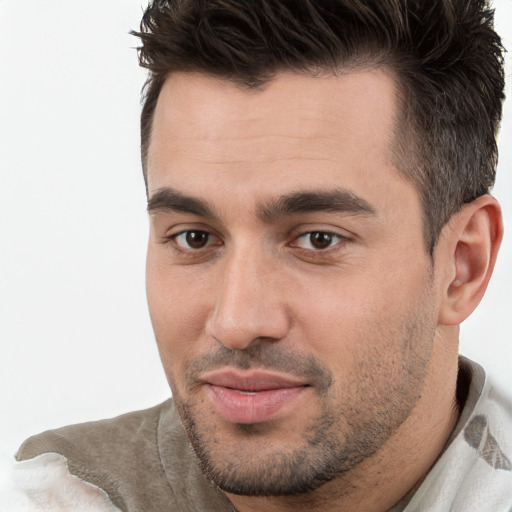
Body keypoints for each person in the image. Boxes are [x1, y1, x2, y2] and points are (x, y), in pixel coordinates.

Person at [1, 0, 510, 510]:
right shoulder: (54, 495)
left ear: (462, 266)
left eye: (318, 240)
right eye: (194, 238)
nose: (237, 322)